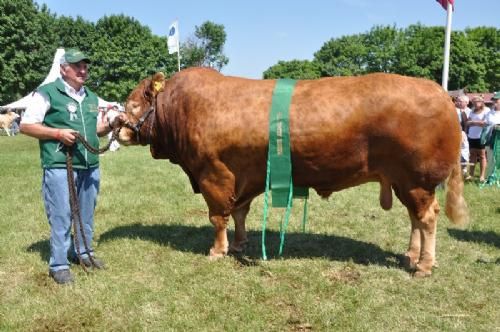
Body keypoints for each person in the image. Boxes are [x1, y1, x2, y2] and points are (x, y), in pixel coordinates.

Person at [20, 48, 122, 284]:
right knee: (62, 214)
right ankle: (58, 264)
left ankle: (84, 253)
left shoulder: (91, 97)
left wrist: (111, 125)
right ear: (63, 69)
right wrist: (57, 133)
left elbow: (93, 130)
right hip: (59, 164)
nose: (83, 71)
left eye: (85, 66)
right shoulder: (47, 93)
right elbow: (26, 125)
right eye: (77, 66)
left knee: (86, 213)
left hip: (90, 164)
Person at [466, 95, 490, 182]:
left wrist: (473, 122)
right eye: (474, 102)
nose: (475, 104)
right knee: (472, 155)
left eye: (477, 102)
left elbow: (485, 123)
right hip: (472, 136)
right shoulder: (472, 111)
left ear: (481, 102)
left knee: (482, 156)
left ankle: (482, 176)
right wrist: (475, 123)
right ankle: (471, 175)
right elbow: (468, 123)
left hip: (481, 136)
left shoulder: (486, 110)